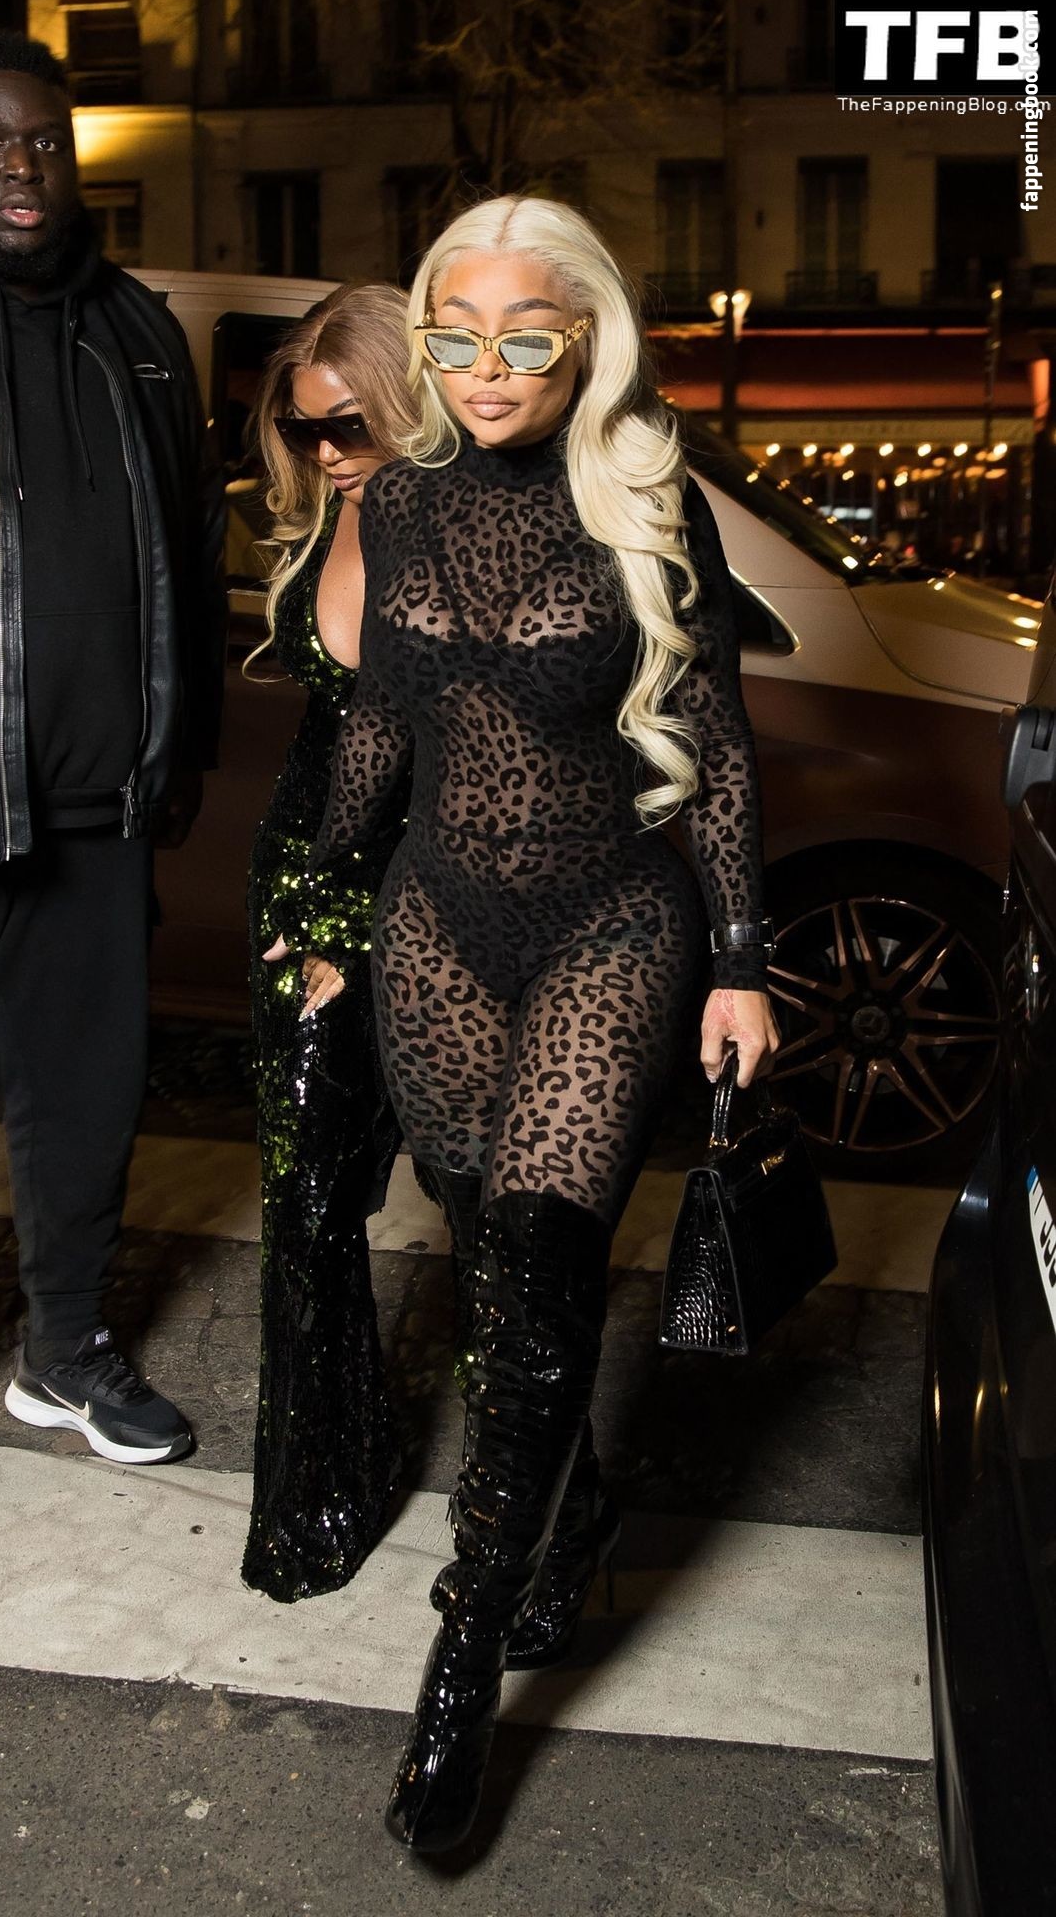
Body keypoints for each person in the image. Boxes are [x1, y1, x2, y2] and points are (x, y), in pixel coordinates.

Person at [283, 193, 783, 1850]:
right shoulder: (406, 497)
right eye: (453, 335)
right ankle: (569, 1521)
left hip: (605, 926)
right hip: (437, 924)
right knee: (496, 1275)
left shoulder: (647, 495)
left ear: (587, 338)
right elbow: (381, 721)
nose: (484, 369)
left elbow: (715, 738)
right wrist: (320, 906)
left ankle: (458, 1682)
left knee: (546, 1263)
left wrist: (739, 961)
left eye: (523, 336)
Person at [0, 32, 225, 1462]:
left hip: (99, 806)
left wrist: (182, 754)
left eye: (42, 139)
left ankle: (65, 1354)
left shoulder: (139, 332)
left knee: (87, 1106)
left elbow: (193, 550)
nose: (21, 164)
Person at [241, 284, 416, 1599]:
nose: (326, 452)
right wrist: (310, 911)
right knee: (305, 1201)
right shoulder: (326, 517)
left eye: (348, 425)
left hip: (429, 894)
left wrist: (357, 922)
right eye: (305, 430)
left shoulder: (476, 525)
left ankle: (548, 1506)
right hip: (301, 882)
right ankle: (323, 1489)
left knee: (495, 1216)